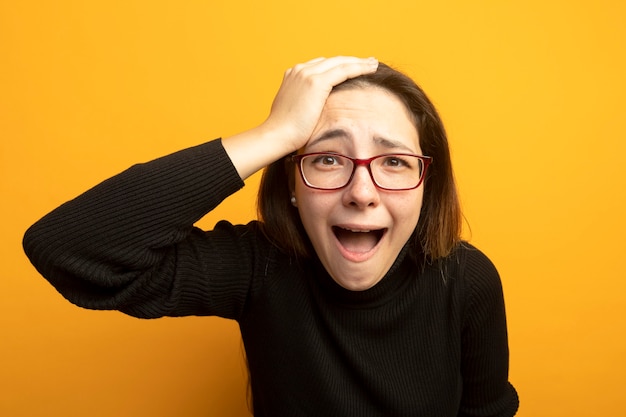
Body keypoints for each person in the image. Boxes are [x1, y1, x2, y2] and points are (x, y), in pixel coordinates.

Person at [23, 56, 519, 416]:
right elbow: (67, 247)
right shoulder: (261, 265)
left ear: (425, 187)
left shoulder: (467, 278)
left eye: (393, 162)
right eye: (327, 159)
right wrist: (274, 134)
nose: (361, 192)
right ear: (291, 188)